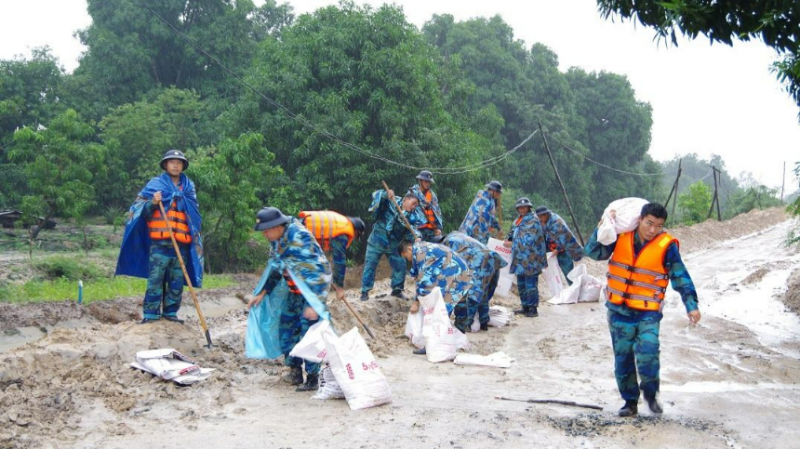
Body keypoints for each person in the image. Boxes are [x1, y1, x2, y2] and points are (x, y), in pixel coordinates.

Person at [584, 202, 701, 417]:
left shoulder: (667, 246)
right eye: (649, 223)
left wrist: (691, 305)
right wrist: (603, 226)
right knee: (623, 359)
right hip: (619, 311)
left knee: (648, 352)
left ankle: (650, 392)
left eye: (658, 225)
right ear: (640, 219)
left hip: (648, 313)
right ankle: (630, 402)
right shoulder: (621, 236)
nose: (652, 230)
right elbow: (592, 252)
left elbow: (680, 275)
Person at [247, 207, 333, 392]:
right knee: (286, 329)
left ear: (278, 226)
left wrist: (314, 303)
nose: (264, 234)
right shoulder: (278, 241)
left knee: (308, 334)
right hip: (294, 294)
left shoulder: (299, 238)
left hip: (310, 294)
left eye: (266, 230)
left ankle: (313, 378)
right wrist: (263, 292)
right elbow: (278, 267)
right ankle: (295, 371)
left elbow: (320, 270)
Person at [116, 149, 203, 324]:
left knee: (177, 282)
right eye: (172, 162)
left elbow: (194, 216)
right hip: (160, 244)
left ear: (183, 166)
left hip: (181, 244)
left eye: (179, 163)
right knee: (155, 279)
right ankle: (151, 314)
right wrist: (154, 203)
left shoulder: (189, 188)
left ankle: (170, 313)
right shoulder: (155, 185)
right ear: (165, 164)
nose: (175, 165)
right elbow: (141, 211)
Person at [398, 239, 471, 354]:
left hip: (454, 276)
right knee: (460, 302)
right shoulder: (422, 248)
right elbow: (417, 273)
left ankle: (433, 345)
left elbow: (424, 280)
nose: (408, 259)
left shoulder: (420, 253)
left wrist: (416, 302)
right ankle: (459, 335)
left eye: (406, 256)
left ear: (409, 249)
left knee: (439, 310)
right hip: (463, 272)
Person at [360, 190, 423, 301]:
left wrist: (417, 237)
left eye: (416, 205)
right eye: (413, 203)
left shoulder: (412, 217)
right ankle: (365, 291)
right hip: (377, 239)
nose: (414, 207)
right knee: (370, 266)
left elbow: (412, 230)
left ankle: (397, 290)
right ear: (406, 199)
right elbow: (378, 201)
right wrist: (386, 195)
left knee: (400, 264)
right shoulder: (391, 201)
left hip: (393, 243)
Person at [442, 231, 508, 332]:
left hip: (480, 261)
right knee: (483, 292)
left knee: (473, 294)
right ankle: (484, 322)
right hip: (491, 258)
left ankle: (467, 324)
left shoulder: (449, 242)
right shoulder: (455, 235)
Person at [296, 210, 365, 299]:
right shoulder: (343, 231)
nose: (354, 238)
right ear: (356, 231)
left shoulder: (341, 222)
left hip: (299, 229)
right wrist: (339, 287)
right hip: (300, 235)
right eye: (356, 236)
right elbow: (339, 262)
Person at [503, 197, 546, 318]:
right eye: (520, 207)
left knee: (530, 284)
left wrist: (513, 243)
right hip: (519, 258)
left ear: (528, 207)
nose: (522, 209)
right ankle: (525, 306)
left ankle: (533, 308)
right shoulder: (518, 221)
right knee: (521, 284)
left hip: (531, 258)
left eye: (524, 207)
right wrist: (508, 239)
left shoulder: (533, 220)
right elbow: (512, 234)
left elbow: (529, 240)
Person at [535, 205, 584, 284]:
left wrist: (557, 250)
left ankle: (574, 287)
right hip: (549, 245)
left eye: (540, 217)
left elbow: (564, 239)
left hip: (564, 247)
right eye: (538, 217)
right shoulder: (541, 221)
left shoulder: (557, 222)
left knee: (568, 270)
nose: (539, 219)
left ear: (545, 215)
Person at [409, 170, 443, 242]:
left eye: (429, 182)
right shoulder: (412, 193)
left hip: (431, 230)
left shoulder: (432, 196)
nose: (428, 184)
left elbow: (437, 212)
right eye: (425, 182)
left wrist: (438, 228)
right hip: (416, 229)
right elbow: (406, 211)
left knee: (441, 242)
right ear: (420, 181)